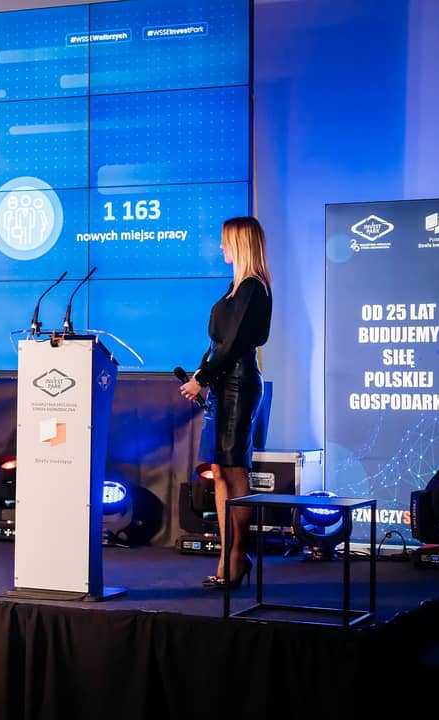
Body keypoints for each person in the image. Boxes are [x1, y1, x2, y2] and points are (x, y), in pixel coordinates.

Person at [179, 217, 272, 590]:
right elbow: (217, 344)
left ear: (241, 243)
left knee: (234, 470)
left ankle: (236, 557)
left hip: (238, 386)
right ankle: (226, 554)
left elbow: (233, 345)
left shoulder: (253, 288)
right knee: (219, 470)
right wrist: (201, 374)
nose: (220, 247)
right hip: (222, 385)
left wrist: (202, 379)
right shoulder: (235, 287)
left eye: (225, 241)